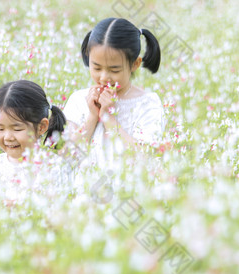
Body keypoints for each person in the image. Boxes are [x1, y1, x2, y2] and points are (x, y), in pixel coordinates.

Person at [63, 17, 166, 172]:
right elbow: (67, 156)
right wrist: (92, 117)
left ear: (135, 64)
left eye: (114, 70)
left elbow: (145, 159)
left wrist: (108, 118)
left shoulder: (147, 103)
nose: (104, 77)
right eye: (97, 68)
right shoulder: (78, 100)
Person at [0, 80, 70, 203]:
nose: (8, 137)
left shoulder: (55, 167)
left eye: (17, 129)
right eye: (0, 128)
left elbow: (64, 215)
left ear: (41, 127)